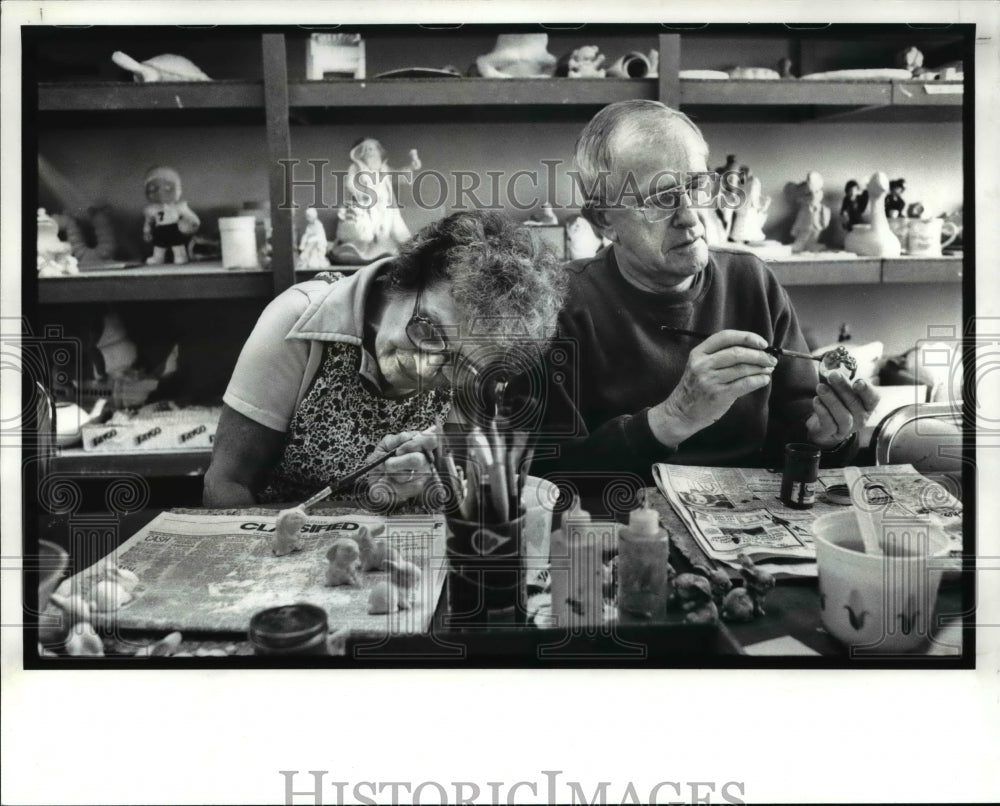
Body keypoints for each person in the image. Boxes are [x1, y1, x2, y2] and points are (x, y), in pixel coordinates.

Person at [532, 100, 879, 488]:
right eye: (661, 199)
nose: (691, 216)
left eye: (697, 185)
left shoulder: (752, 280)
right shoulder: (558, 303)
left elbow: (797, 436)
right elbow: (550, 477)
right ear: (604, 220)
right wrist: (673, 418)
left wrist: (827, 438)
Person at [204, 209, 565, 507]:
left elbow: (459, 493)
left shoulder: (474, 374)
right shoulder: (297, 322)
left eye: (456, 364)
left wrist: (431, 487)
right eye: (427, 330)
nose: (425, 367)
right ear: (405, 277)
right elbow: (225, 486)